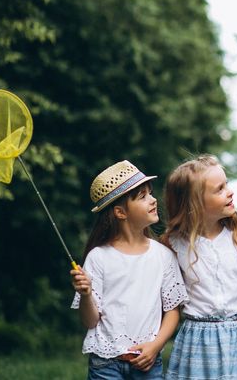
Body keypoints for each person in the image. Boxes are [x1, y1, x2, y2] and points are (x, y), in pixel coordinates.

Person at [70, 160, 189, 380]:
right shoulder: (98, 257)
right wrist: (86, 294)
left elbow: (173, 310)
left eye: (150, 193)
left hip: (147, 363)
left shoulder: (163, 256)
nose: (153, 200)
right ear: (120, 212)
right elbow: (90, 322)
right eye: (142, 196)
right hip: (105, 365)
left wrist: (156, 346)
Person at [162, 155, 237, 379]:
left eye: (226, 184)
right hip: (198, 341)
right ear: (194, 204)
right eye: (219, 189)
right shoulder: (173, 244)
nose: (230, 192)